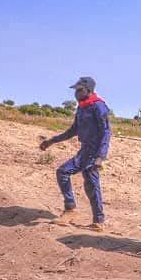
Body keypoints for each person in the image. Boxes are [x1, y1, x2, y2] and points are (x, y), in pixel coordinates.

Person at [40, 76, 111, 230]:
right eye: (75, 90)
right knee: (78, 179)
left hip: (93, 152)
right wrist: (52, 141)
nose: (76, 93)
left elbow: (106, 132)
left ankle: (84, 215)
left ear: (89, 90)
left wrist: (101, 157)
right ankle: (86, 216)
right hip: (85, 150)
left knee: (76, 177)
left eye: (80, 90)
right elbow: (73, 130)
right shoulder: (82, 107)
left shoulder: (98, 106)